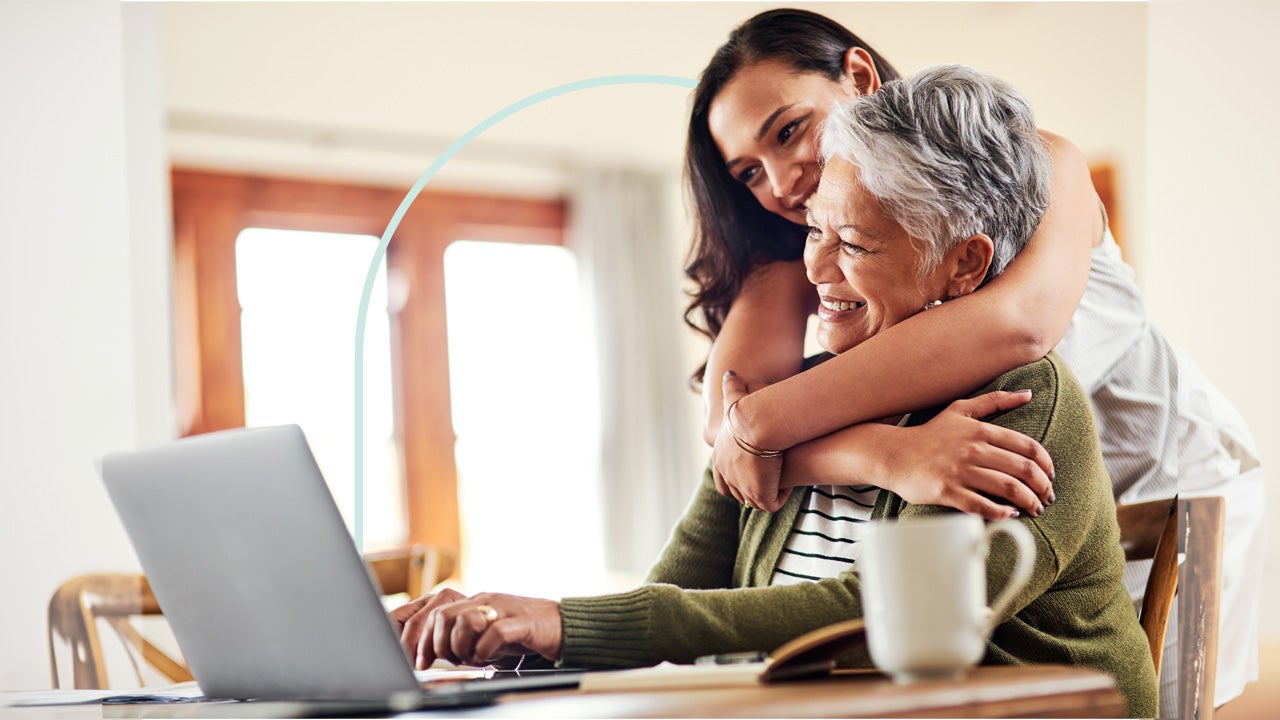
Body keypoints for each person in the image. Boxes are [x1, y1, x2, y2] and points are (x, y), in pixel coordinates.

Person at [393, 65, 1158, 718]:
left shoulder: (1021, 402)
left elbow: (875, 618)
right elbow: (680, 584)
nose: (817, 272)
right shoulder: (809, 393)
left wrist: (565, 624)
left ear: (963, 266)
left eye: (853, 244)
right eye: (812, 231)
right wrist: (527, 636)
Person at [688, 9, 1263, 714]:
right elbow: (729, 428)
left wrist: (772, 432)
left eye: (788, 130)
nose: (780, 180)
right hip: (1004, 512)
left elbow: (1016, 328)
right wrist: (881, 456)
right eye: (749, 172)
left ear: (860, 76)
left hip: (1155, 484)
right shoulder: (800, 247)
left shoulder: (1039, 163)